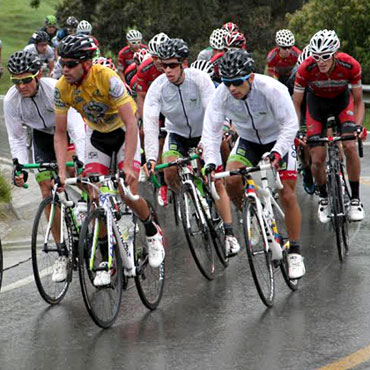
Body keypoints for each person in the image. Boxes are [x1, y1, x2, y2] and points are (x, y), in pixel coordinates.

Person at [53, 34, 165, 285]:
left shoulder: (107, 78)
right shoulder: (62, 87)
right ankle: (105, 261)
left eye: (71, 64)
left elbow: (131, 123)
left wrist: (127, 165)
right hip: (97, 136)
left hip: (124, 133)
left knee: (127, 192)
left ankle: (151, 230)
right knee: (97, 195)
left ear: (86, 63)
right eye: (62, 63)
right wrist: (62, 171)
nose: (65, 69)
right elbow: (60, 133)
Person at [202, 49, 306, 279]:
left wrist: (278, 153)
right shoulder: (222, 94)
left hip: (278, 139)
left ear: (250, 77)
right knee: (230, 179)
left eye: (236, 83)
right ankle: (254, 217)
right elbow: (211, 130)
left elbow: (290, 125)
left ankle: (296, 252)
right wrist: (210, 162)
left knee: (287, 194)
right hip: (248, 140)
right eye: (227, 83)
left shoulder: (272, 89)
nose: (232, 89)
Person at [144, 38, 240, 256]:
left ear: (183, 64)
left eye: (172, 65)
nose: (166, 70)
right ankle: (191, 194)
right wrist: (150, 158)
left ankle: (229, 234)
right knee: (169, 174)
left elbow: (213, 113)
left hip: (203, 132)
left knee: (215, 180)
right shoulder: (157, 87)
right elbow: (149, 123)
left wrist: (206, 143)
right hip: (176, 134)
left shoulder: (200, 79)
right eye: (163, 64)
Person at [4, 50, 85, 282]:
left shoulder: (54, 89)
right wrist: (19, 166)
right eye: (15, 81)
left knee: (75, 172)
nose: (21, 86)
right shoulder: (12, 101)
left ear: (38, 75)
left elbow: (76, 126)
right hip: (41, 137)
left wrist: (80, 157)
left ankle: (89, 210)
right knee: (45, 189)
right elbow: (17, 138)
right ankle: (62, 253)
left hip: (67, 132)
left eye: (26, 80)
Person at [293, 29, 366, 223]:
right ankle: (324, 198)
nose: (321, 61)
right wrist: (298, 130)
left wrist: (357, 126)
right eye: (317, 57)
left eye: (325, 56)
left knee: (350, 145)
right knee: (317, 159)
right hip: (316, 106)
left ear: (334, 53)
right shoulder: (306, 69)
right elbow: (296, 103)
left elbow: (359, 101)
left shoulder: (350, 65)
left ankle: (356, 200)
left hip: (342, 103)